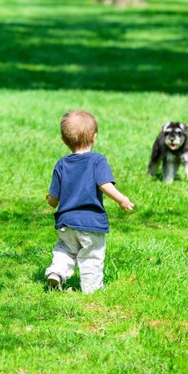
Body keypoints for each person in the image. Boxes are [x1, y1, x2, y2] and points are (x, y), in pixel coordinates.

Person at [45, 110, 134, 294]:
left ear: (63, 140)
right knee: (91, 256)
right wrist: (122, 199)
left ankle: (56, 272)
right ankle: (92, 289)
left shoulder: (61, 164)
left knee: (65, 251)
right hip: (91, 223)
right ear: (94, 137)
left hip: (66, 223)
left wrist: (50, 200)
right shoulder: (97, 161)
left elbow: (54, 200)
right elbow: (104, 184)